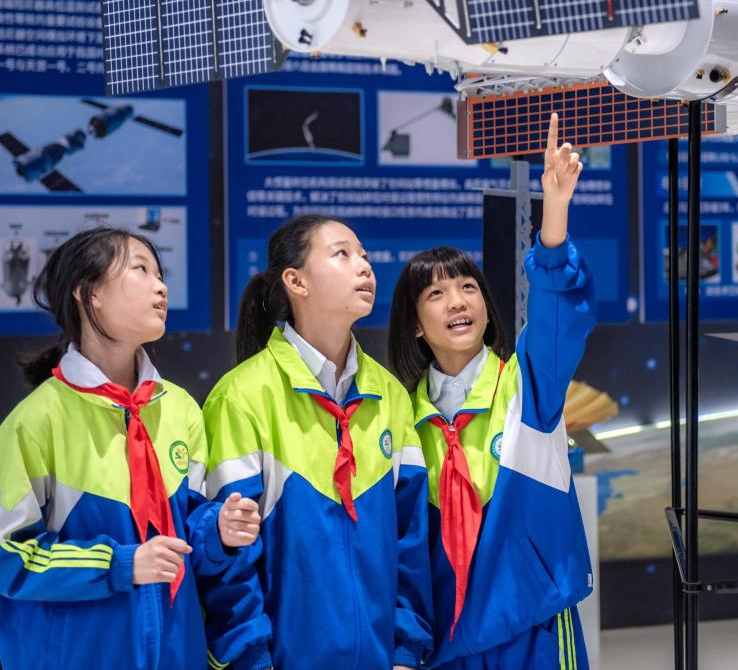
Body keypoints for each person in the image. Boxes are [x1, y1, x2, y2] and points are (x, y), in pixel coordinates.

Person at [0, 227, 271, 670]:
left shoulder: (179, 409)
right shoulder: (34, 424)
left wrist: (220, 532)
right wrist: (120, 565)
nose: (161, 287)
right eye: (141, 270)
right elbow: (10, 558)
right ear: (89, 294)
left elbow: (189, 537)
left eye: (161, 275)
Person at [387, 114, 597, 669]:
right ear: (415, 324)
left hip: (532, 631)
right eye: (436, 294)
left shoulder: (528, 385)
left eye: (468, 286)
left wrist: (555, 215)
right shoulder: (399, 420)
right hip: (444, 643)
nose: (458, 301)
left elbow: (559, 317)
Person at [203, 215, 433, 670]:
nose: (365, 267)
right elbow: (231, 559)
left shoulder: (389, 395)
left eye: (364, 256)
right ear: (296, 282)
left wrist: (407, 651)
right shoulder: (241, 397)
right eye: (342, 254)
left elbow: (411, 538)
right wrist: (252, 660)